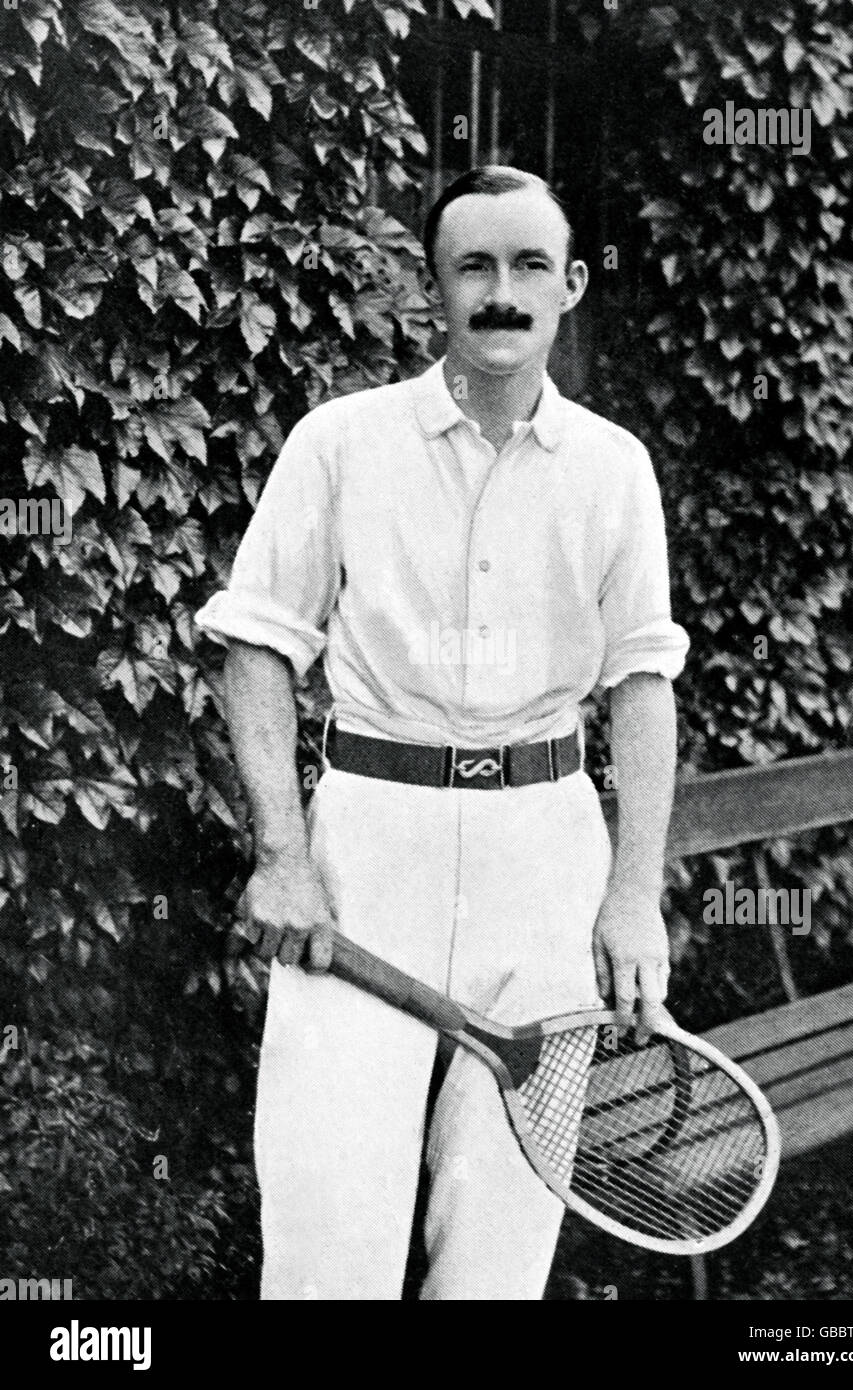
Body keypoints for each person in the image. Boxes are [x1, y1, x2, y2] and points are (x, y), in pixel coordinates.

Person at [195, 165, 690, 1300]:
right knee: (328, 1233)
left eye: (527, 266)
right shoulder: (339, 443)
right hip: (368, 851)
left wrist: (629, 895)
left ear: (568, 286)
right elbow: (258, 644)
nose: (501, 292)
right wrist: (281, 856)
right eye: (474, 266)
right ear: (435, 292)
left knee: (501, 1239)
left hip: (545, 851)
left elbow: (640, 685)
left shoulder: (615, 470)